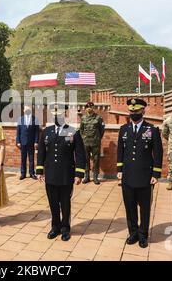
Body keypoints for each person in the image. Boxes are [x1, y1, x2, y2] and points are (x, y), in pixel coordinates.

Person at [117, 98, 163, 248]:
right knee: (130, 207)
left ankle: (143, 235)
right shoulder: (124, 129)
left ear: (143, 111)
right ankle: (133, 233)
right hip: (128, 176)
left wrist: (155, 174)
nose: (133, 113)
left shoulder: (152, 130)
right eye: (131, 111)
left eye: (136, 111)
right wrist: (119, 170)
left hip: (145, 176)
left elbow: (158, 152)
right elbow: (120, 151)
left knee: (144, 208)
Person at [36, 104, 86, 242]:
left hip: (66, 174)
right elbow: (41, 152)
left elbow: (80, 155)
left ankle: (65, 228)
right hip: (50, 174)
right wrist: (39, 170)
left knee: (65, 203)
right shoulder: (47, 132)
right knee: (52, 203)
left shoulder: (73, 132)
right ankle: (55, 227)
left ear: (64, 115)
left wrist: (79, 174)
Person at [79, 101, 105, 185]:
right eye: (87, 107)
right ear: (86, 109)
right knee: (86, 159)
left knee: (96, 159)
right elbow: (81, 130)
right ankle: (86, 176)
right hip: (86, 142)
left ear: (93, 108)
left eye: (90, 107)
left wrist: (98, 138)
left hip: (95, 142)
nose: (89, 108)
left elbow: (102, 130)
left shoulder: (98, 118)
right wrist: (83, 138)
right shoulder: (83, 118)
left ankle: (95, 176)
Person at [16, 105, 40, 180]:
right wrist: (18, 141)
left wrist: (36, 141)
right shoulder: (20, 119)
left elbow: (37, 132)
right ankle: (23, 173)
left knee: (31, 158)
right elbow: (18, 131)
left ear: (30, 111)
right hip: (22, 142)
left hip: (31, 142)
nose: (26, 111)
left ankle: (32, 173)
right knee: (23, 158)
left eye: (28, 110)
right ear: (23, 111)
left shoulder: (35, 119)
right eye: (25, 110)